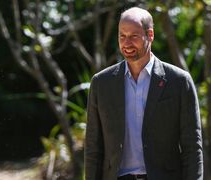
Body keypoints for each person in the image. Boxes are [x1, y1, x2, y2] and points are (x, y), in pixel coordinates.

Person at [85, 7, 203, 180]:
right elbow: (93, 148)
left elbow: (192, 147)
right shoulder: (101, 83)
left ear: (150, 35)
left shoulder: (179, 82)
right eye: (122, 36)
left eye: (134, 36)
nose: (127, 43)